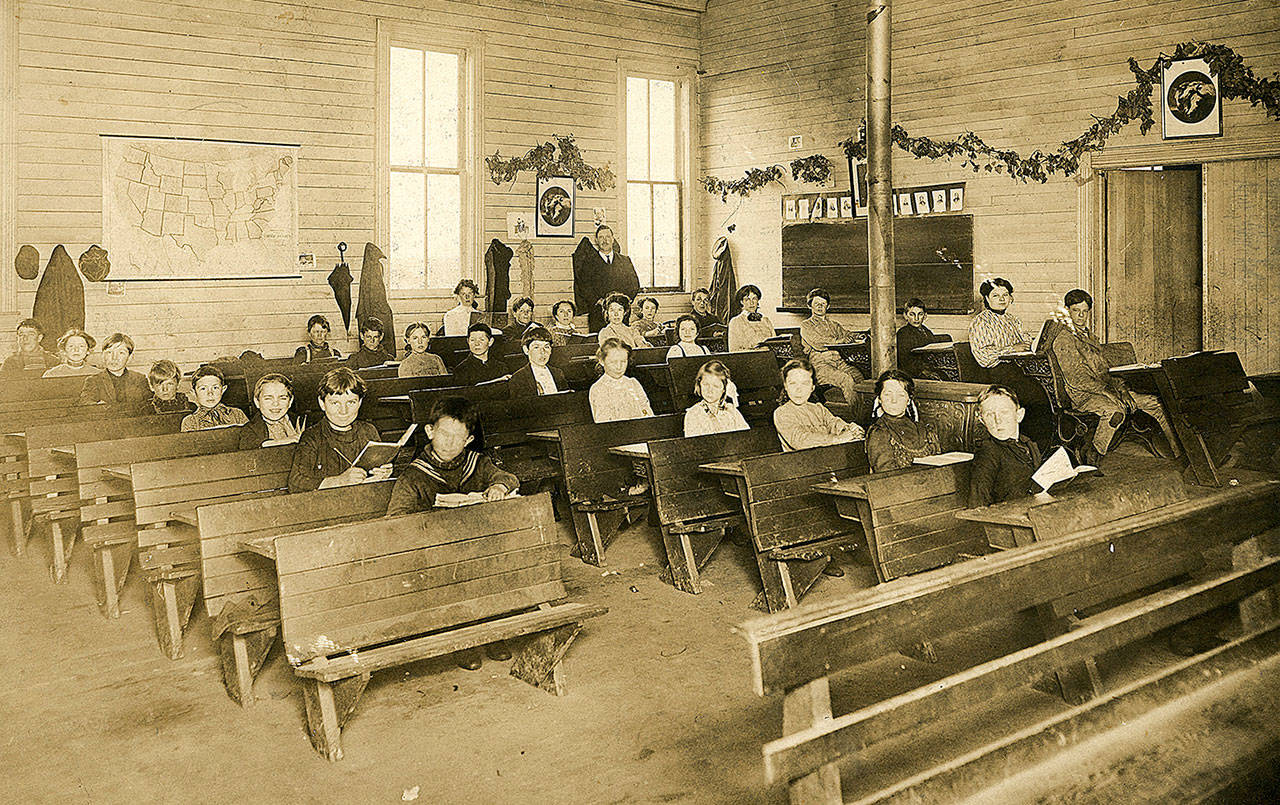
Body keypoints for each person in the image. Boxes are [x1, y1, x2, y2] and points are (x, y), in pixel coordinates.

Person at [386, 396, 519, 670]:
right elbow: (396, 522)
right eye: (444, 434)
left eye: (458, 438)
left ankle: (492, 630)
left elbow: (508, 477)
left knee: (492, 565)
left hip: (477, 550)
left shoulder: (476, 462)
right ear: (429, 431)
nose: (449, 443)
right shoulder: (414, 476)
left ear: (468, 440)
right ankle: (463, 639)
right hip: (434, 558)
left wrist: (499, 488)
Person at [1049, 289, 1179, 459]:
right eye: (1076, 311)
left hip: (1107, 390)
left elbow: (1107, 371)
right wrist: (1110, 393)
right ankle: (1094, 455)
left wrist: (1123, 391)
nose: (1081, 316)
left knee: (1156, 403)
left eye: (1084, 311)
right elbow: (1077, 379)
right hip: (1084, 396)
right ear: (1067, 311)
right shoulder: (1064, 339)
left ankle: (1180, 453)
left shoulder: (1091, 338)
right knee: (1115, 411)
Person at [287, 367, 392, 492]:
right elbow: (296, 483)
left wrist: (383, 473)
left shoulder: (368, 431)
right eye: (335, 403)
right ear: (322, 403)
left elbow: (377, 471)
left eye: (351, 402)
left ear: (360, 403)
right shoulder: (312, 437)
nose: (344, 411)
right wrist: (339, 481)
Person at [969, 385, 1042, 507]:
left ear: (1019, 415)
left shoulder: (1028, 444)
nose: (998, 420)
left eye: (1004, 412)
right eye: (989, 415)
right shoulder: (988, 452)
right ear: (982, 420)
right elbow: (978, 504)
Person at [772, 358, 864, 451]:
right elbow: (800, 441)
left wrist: (851, 429)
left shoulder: (819, 409)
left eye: (805, 383)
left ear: (812, 387)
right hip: (800, 462)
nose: (798, 390)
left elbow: (835, 424)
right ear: (786, 386)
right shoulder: (782, 413)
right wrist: (837, 439)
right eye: (793, 383)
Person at [865, 369, 942, 471]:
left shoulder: (923, 428)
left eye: (900, 395)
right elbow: (886, 476)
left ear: (908, 400)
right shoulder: (879, 432)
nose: (894, 400)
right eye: (888, 394)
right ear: (879, 399)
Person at [799, 287, 865, 404]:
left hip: (839, 362)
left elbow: (847, 334)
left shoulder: (834, 325)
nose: (820, 306)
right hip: (821, 365)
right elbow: (819, 343)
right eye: (816, 304)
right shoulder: (806, 325)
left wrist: (858, 336)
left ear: (828, 306)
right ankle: (859, 419)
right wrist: (841, 340)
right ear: (810, 306)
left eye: (823, 304)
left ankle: (864, 414)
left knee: (859, 378)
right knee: (846, 380)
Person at [572, 224, 640, 332]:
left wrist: (623, 302)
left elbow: (634, 285)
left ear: (613, 239)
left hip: (621, 314)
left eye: (608, 237)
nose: (605, 240)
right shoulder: (588, 263)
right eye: (601, 237)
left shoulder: (625, 260)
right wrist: (600, 302)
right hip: (598, 313)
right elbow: (584, 287)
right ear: (596, 241)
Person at [76, 333, 150, 413]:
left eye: (121, 353)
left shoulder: (139, 379)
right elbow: (85, 403)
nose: (114, 358)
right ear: (103, 356)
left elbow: (149, 403)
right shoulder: (94, 381)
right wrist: (99, 407)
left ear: (130, 357)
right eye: (109, 353)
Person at [969, 278, 1033, 370]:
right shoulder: (981, 321)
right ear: (987, 298)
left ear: (1010, 298)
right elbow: (983, 356)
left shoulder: (1013, 319)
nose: (1002, 299)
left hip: (1018, 367)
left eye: (1005, 295)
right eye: (995, 296)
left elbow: (1025, 340)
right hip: (995, 371)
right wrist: (1012, 349)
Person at [589, 338, 654, 422]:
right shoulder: (598, 389)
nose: (619, 367)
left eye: (623, 362)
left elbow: (647, 413)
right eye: (613, 362)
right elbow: (604, 423)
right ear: (602, 361)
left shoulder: (633, 383)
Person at [683, 360, 749, 437]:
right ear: (699, 384)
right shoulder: (694, 414)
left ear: (724, 389)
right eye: (706, 384)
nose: (710, 390)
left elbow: (746, 437)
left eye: (716, 386)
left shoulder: (731, 411)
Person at [239, 372, 303, 448]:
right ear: (257, 402)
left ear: (290, 401)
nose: (275, 404)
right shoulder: (249, 430)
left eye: (282, 398)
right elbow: (249, 447)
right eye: (268, 398)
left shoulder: (302, 421)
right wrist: (283, 442)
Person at [181, 365, 249, 431]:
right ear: (193, 392)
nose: (210, 393)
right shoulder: (190, 421)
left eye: (215, 388)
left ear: (223, 389)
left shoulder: (237, 414)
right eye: (203, 389)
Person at [896, 298, 947, 380]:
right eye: (912, 314)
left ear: (925, 316)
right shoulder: (903, 333)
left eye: (920, 314)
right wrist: (924, 371)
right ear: (905, 316)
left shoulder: (927, 331)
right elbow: (906, 360)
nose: (916, 318)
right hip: (913, 372)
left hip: (928, 368)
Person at [508, 327, 565, 398]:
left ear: (551, 350)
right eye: (536, 347)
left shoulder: (558, 373)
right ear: (526, 350)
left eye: (546, 347)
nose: (543, 352)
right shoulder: (518, 378)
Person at [727, 285, 775, 351]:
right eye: (747, 299)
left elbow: (775, 343)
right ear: (741, 302)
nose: (751, 303)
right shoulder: (736, 322)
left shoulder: (766, 320)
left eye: (754, 299)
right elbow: (734, 350)